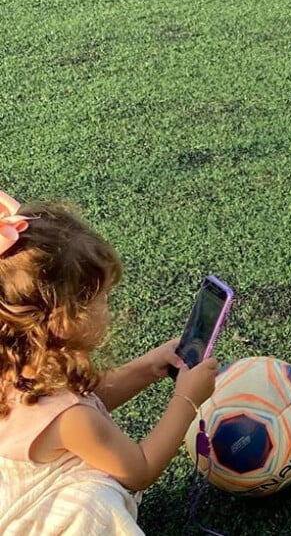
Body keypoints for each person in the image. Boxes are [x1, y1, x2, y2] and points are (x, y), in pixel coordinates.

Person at [0, 191, 219, 535]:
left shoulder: (19, 367)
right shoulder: (72, 419)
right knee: (97, 499)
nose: (108, 309)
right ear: (63, 319)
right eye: (102, 299)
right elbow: (140, 468)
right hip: (45, 518)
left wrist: (149, 367)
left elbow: (89, 397)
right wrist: (187, 400)